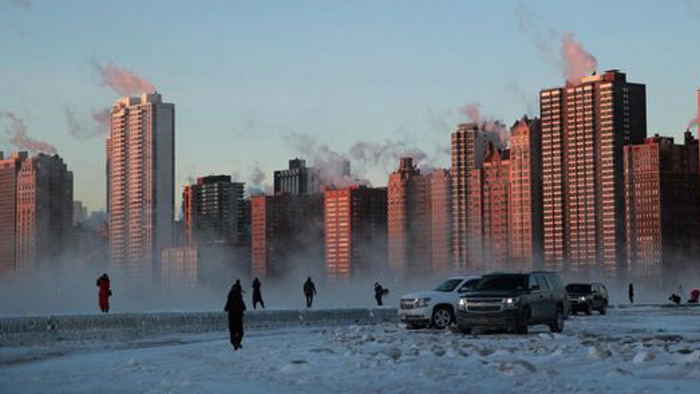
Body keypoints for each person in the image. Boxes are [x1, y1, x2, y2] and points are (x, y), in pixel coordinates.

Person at [224, 282, 246, 350]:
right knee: (240, 331)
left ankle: (234, 343)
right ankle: (237, 342)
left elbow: (227, 307)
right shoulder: (238, 295)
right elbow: (242, 306)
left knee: (233, 330)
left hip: (231, 315)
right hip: (238, 315)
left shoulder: (230, 295)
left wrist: (227, 308)